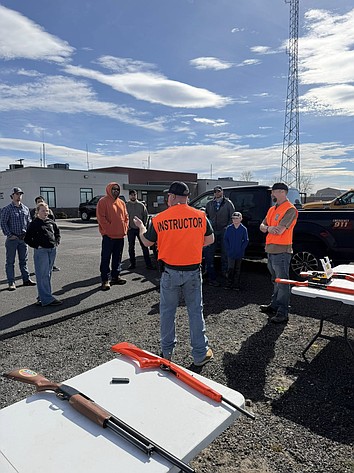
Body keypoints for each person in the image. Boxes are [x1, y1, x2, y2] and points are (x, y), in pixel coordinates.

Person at [134, 181, 215, 366]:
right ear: (186, 197)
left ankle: (167, 352)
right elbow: (210, 239)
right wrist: (191, 244)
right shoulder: (200, 216)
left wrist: (141, 227)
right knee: (195, 311)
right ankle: (200, 353)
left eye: (168, 196)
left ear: (172, 196)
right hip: (193, 271)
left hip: (170, 272)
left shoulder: (160, 218)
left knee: (167, 312)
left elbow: (147, 242)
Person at [259, 182, 298, 324]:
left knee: (282, 282)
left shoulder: (290, 209)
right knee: (275, 280)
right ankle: (274, 305)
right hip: (271, 249)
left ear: (282, 192)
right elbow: (262, 226)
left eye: (273, 192)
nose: (272, 194)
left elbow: (280, 230)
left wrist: (267, 228)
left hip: (282, 250)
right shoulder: (272, 209)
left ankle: (283, 312)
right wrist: (270, 228)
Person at [24, 202, 62, 306]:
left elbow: (57, 232)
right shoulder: (34, 223)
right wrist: (38, 246)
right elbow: (27, 238)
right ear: (37, 212)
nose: (45, 212)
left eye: (47, 210)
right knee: (42, 275)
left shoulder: (51, 221)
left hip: (52, 250)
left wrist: (56, 242)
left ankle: (42, 297)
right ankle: (47, 299)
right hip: (41, 252)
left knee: (47, 274)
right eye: (43, 210)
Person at [0, 187, 36, 291]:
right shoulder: (7, 209)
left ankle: (26, 279)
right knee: (10, 262)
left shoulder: (25, 209)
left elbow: (29, 223)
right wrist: (9, 234)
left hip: (23, 239)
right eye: (16, 194)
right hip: (12, 239)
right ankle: (11, 282)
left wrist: (29, 235)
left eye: (20, 194)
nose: (18, 196)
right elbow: (3, 223)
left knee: (23, 261)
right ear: (12, 196)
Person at [96, 182, 129, 291]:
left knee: (117, 257)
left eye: (117, 189)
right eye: (113, 189)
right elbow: (101, 218)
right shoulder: (103, 202)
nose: (116, 191)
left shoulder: (122, 203)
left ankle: (116, 276)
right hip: (108, 236)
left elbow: (126, 217)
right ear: (109, 189)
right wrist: (109, 229)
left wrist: (124, 227)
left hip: (120, 236)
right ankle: (105, 280)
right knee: (105, 258)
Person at [205, 186, 235, 286]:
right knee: (209, 253)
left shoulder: (228, 203)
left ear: (222, 192)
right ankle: (209, 273)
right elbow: (206, 216)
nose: (216, 193)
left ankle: (225, 272)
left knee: (225, 252)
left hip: (224, 230)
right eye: (215, 191)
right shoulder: (209, 204)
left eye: (218, 191)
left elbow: (233, 216)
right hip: (212, 231)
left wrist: (228, 227)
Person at [125, 190, 154, 270]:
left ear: (136, 195)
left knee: (144, 246)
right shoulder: (126, 205)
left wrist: (143, 226)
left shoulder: (141, 205)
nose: (133, 196)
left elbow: (146, 216)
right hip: (130, 229)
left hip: (140, 230)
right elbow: (124, 217)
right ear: (129, 196)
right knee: (131, 247)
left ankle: (149, 264)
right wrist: (127, 226)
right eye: (131, 195)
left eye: (134, 195)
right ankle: (132, 264)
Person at [30, 196, 60, 271]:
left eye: (42, 201)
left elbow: (53, 224)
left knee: (50, 257)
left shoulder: (49, 211)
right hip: (39, 241)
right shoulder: (33, 213)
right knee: (40, 260)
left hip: (49, 240)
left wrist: (56, 241)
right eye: (38, 202)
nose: (40, 203)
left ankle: (52, 266)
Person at [223, 212, 249, 290]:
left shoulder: (243, 229)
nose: (235, 220)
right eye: (233, 218)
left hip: (239, 253)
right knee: (230, 268)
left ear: (241, 219)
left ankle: (236, 284)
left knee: (237, 269)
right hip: (231, 252)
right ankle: (228, 283)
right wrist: (228, 248)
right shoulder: (229, 228)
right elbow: (225, 239)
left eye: (237, 218)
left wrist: (241, 249)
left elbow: (246, 240)